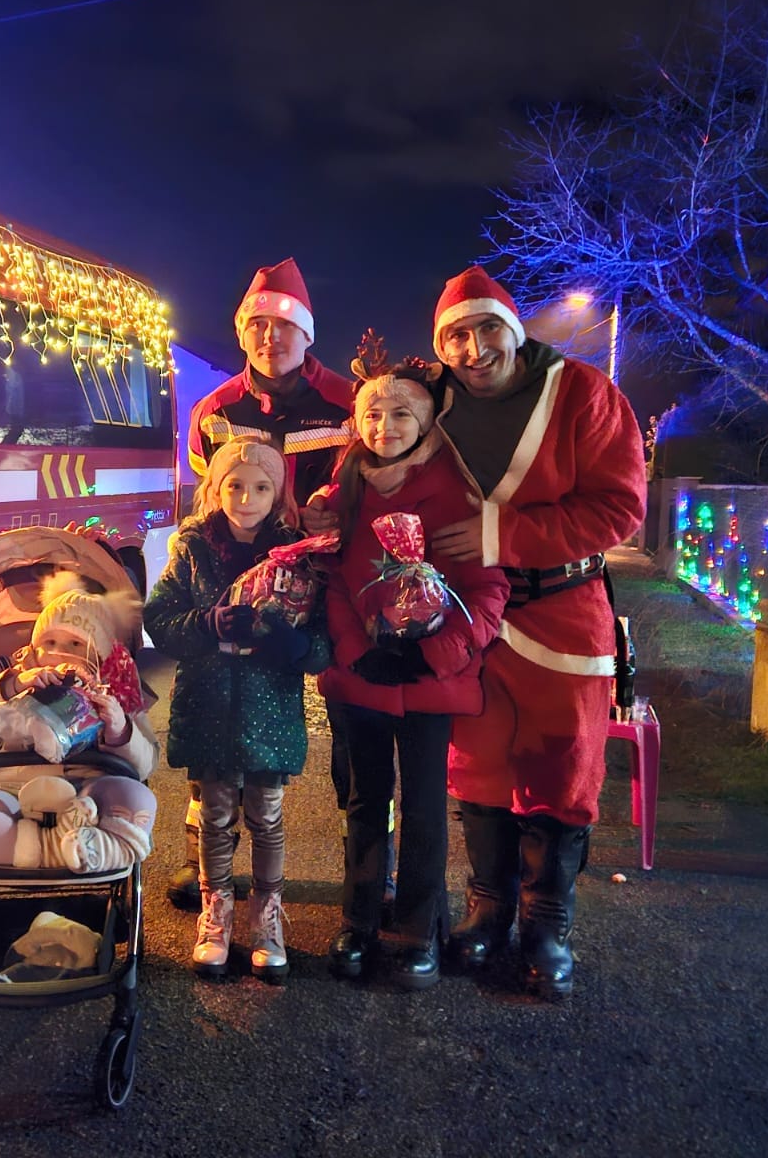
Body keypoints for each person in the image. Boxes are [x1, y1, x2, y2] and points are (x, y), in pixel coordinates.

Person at [427, 266, 646, 999]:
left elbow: (619, 508)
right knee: (477, 764)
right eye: (457, 336)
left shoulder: (584, 394)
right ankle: (487, 911)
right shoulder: (431, 400)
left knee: (561, 771)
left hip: (562, 613)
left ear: (515, 330)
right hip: (468, 618)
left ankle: (546, 925)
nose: (475, 349)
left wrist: (502, 533)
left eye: (489, 328)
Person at [169, 257, 354, 910]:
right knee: (216, 722)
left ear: (307, 333)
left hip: (325, 583)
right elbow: (207, 498)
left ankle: (367, 867)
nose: (270, 337)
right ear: (242, 332)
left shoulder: (349, 405)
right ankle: (200, 860)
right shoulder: (215, 410)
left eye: (284, 326)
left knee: (345, 724)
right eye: (257, 325)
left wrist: (334, 513)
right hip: (236, 581)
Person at [318, 361, 509, 990]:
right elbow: (334, 579)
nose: (385, 426)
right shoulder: (345, 489)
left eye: (402, 413)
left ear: (427, 421)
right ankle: (359, 920)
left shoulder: (456, 490)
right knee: (365, 802)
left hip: (430, 679)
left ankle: (418, 927)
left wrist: (436, 654)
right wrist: (356, 652)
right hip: (364, 676)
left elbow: (486, 590)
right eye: (372, 414)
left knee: (426, 807)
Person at [144, 441, 331, 982]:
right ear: (216, 488)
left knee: (267, 817)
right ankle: (216, 913)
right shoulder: (193, 547)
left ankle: (267, 917)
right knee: (215, 815)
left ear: (278, 495)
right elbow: (160, 617)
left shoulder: (297, 554)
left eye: (261, 487)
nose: (247, 498)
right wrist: (207, 623)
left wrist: (294, 646)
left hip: (268, 708)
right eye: (235, 485)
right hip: (209, 705)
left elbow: (321, 639)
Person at [0, 570, 158, 872]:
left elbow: (145, 764)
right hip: (12, 791)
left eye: (76, 644)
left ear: (99, 654)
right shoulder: (14, 678)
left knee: (138, 798)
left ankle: (35, 849)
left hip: (88, 796)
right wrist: (10, 686)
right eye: (49, 641)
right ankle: (73, 850)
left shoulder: (112, 694)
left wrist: (120, 729)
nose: (58, 652)